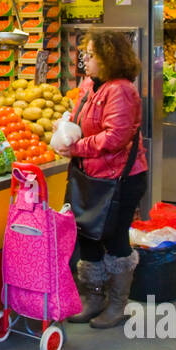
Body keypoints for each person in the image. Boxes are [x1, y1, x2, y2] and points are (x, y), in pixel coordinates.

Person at [61, 30, 148, 329]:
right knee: (87, 235)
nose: (85, 59)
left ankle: (117, 304)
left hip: (119, 178)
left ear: (109, 58)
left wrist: (76, 147)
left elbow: (115, 138)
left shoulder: (121, 90)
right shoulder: (89, 85)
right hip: (89, 175)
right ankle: (94, 297)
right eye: (84, 53)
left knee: (113, 236)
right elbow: (79, 121)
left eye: (91, 54)